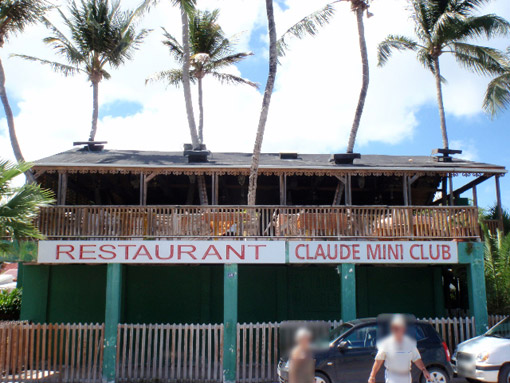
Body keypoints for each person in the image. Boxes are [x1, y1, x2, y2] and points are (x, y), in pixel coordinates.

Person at [368, 315, 432, 383]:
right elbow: (378, 361)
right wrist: (372, 376)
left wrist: (424, 370)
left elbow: (416, 359)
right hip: (392, 377)